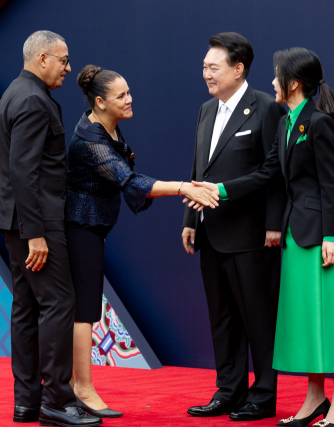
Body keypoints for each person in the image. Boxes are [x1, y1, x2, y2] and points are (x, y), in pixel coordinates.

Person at [191, 47, 334, 427]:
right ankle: (314, 399)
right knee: (305, 320)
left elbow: (332, 186)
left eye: (277, 75)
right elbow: (269, 175)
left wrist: (333, 235)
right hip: (295, 238)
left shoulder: (318, 123)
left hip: (319, 237)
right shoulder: (286, 123)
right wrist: (221, 191)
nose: (271, 82)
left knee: (326, 318)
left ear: (293, 83)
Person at [66, 64, 220, 419]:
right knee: (85, 309)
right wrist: (184, 186)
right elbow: (131, 182)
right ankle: (82, 388)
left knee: (86, 306)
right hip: (79, 226)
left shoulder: (107, 129)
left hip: (93, 227)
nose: (130, 99)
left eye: (129, 92)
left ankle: (77, 385)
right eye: (122, 96)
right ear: (101, 102)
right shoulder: (90, 141)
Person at [0, 31, 102, 427]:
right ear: (42, 58)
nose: (69, 69)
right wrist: (36, 231)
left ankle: (28, 403)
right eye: (63, 60)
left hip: (14, 219)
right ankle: (57, 401)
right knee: (57, 304)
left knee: (26, 307)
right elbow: (20, 168)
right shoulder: (35, 101)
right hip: (36, 223)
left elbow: (0, 157)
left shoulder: (14, 94)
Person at [182, 32, 287, 421]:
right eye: (205, 67)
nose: (206, 73)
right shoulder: (206, 110)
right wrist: (191, 218)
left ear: (238, 68)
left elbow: (275, 172)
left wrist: (273, 225)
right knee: (221, 317)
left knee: (257, 318)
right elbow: (199, 170)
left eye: (214, 67)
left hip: (252, 234)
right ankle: (229, 391)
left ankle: (263, 395)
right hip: (210, 232)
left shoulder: (264, 107)